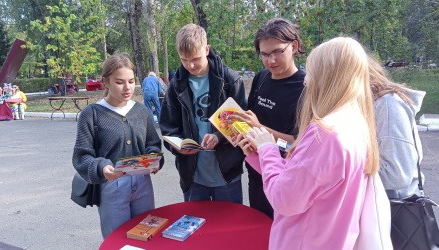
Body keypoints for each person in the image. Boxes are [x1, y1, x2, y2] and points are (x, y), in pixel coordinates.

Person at [237, 37, 380, 249]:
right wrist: (256, 154)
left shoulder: (325, 133)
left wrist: (267, 147)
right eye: (264, 55)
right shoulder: (354, 122)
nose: (306, 81)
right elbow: (301, 177)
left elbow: (284, 198)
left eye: (311, 73)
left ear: (327, 77)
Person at [72, 53, 163, 238]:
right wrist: (102, 167)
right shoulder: (91, 114)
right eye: (120, 82)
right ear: (105, 82)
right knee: (118, 239)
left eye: (131, 81)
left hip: (143, 184)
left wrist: (154, 159)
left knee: (146, 235)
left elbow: (153, 143)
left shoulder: (141, 111)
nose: (127, 88)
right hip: (111, 185)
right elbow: (81, 157)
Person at [159, 23, 247, 204]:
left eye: (195, 58)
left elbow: (243, 124)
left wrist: (219, 137)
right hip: (192, 174)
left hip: (227, 173)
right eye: (184, 60)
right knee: (196, 229)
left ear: (207, 49)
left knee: (229, 228)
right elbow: (168, 128)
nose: (190, 65)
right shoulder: (176, 86)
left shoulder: (230, 80)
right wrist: (177, 147)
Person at [231, 17, 305, 218]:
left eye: (277, 52)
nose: (270, 61)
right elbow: (251, 122)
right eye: (264, 54)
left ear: (294, 46)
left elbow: (299, 145)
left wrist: (261, 130)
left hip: (286, 179)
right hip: (257, 172)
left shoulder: (306, 87)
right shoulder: (261, 78)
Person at [368, 55, 426, 198]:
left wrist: (341, 174)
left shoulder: (387, 104)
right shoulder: (371, 104)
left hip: (394, 209)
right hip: (378, 206)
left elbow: (397, 175)